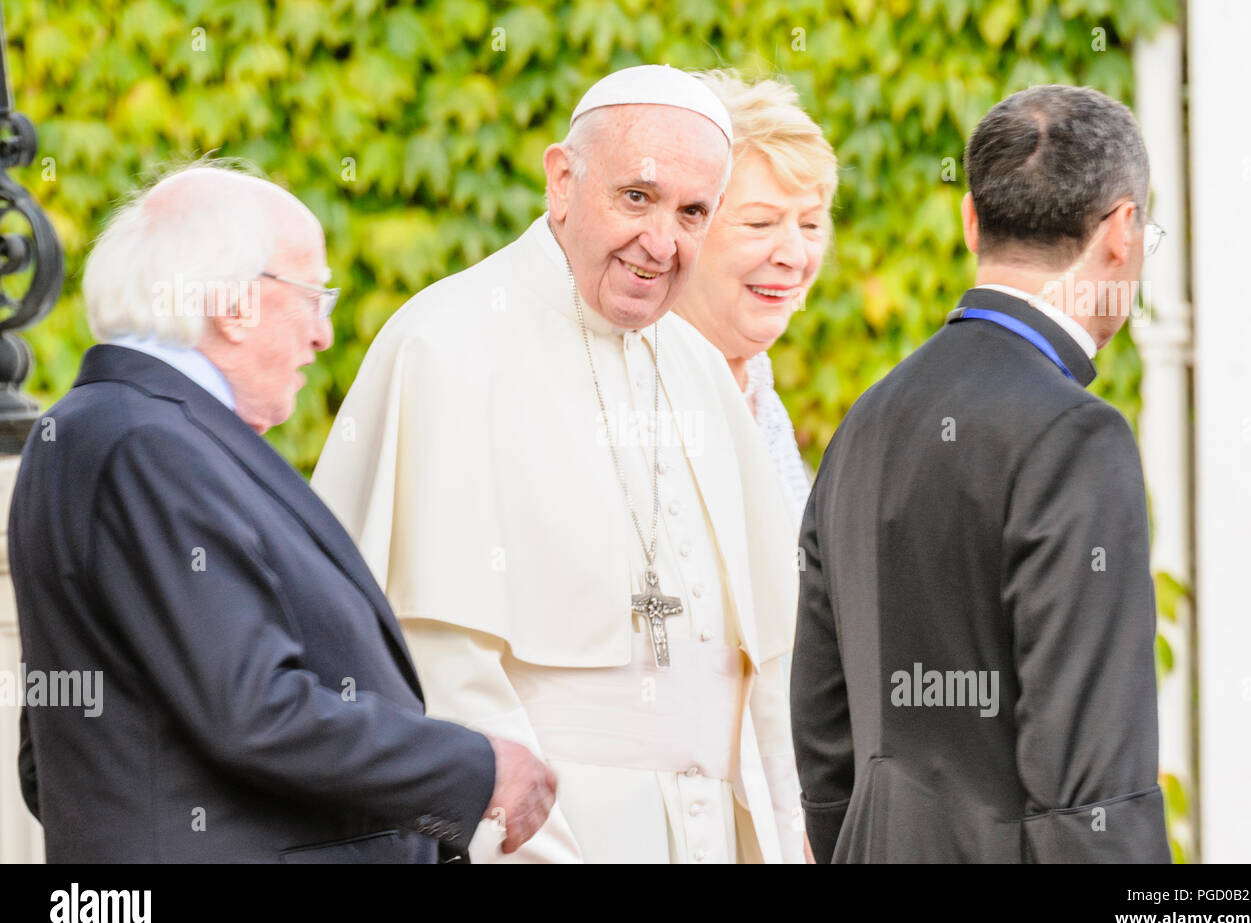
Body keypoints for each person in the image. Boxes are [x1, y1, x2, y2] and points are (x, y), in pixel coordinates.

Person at [311, 65, 806, 863]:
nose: (661, 241)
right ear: (563, 180)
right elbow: (441, 659)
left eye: (692, 213)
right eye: (636, 197)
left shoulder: (701, 370)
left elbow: (767, 666)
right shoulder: (448, 343)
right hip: (554, 834)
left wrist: (787, 836)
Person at [9, 164, 555, 863]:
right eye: (312, 296)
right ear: (234, 303)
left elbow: (55, 758)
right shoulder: (150, 443)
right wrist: (473, 768)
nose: (323, 335)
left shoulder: (111, 429)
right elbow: (254, 709)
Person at [792, 85, 1171, 863]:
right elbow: (1090, 795)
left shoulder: (864, 421)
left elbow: (825, 747)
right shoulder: (1076, 437)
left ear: (971, 220)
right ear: (1122, 231)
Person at [673, 69, 837, 524]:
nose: (794, 255)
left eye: (810, 225)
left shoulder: (758, 389)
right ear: (685, 226)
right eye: (760, 223)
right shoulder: (641, 404)